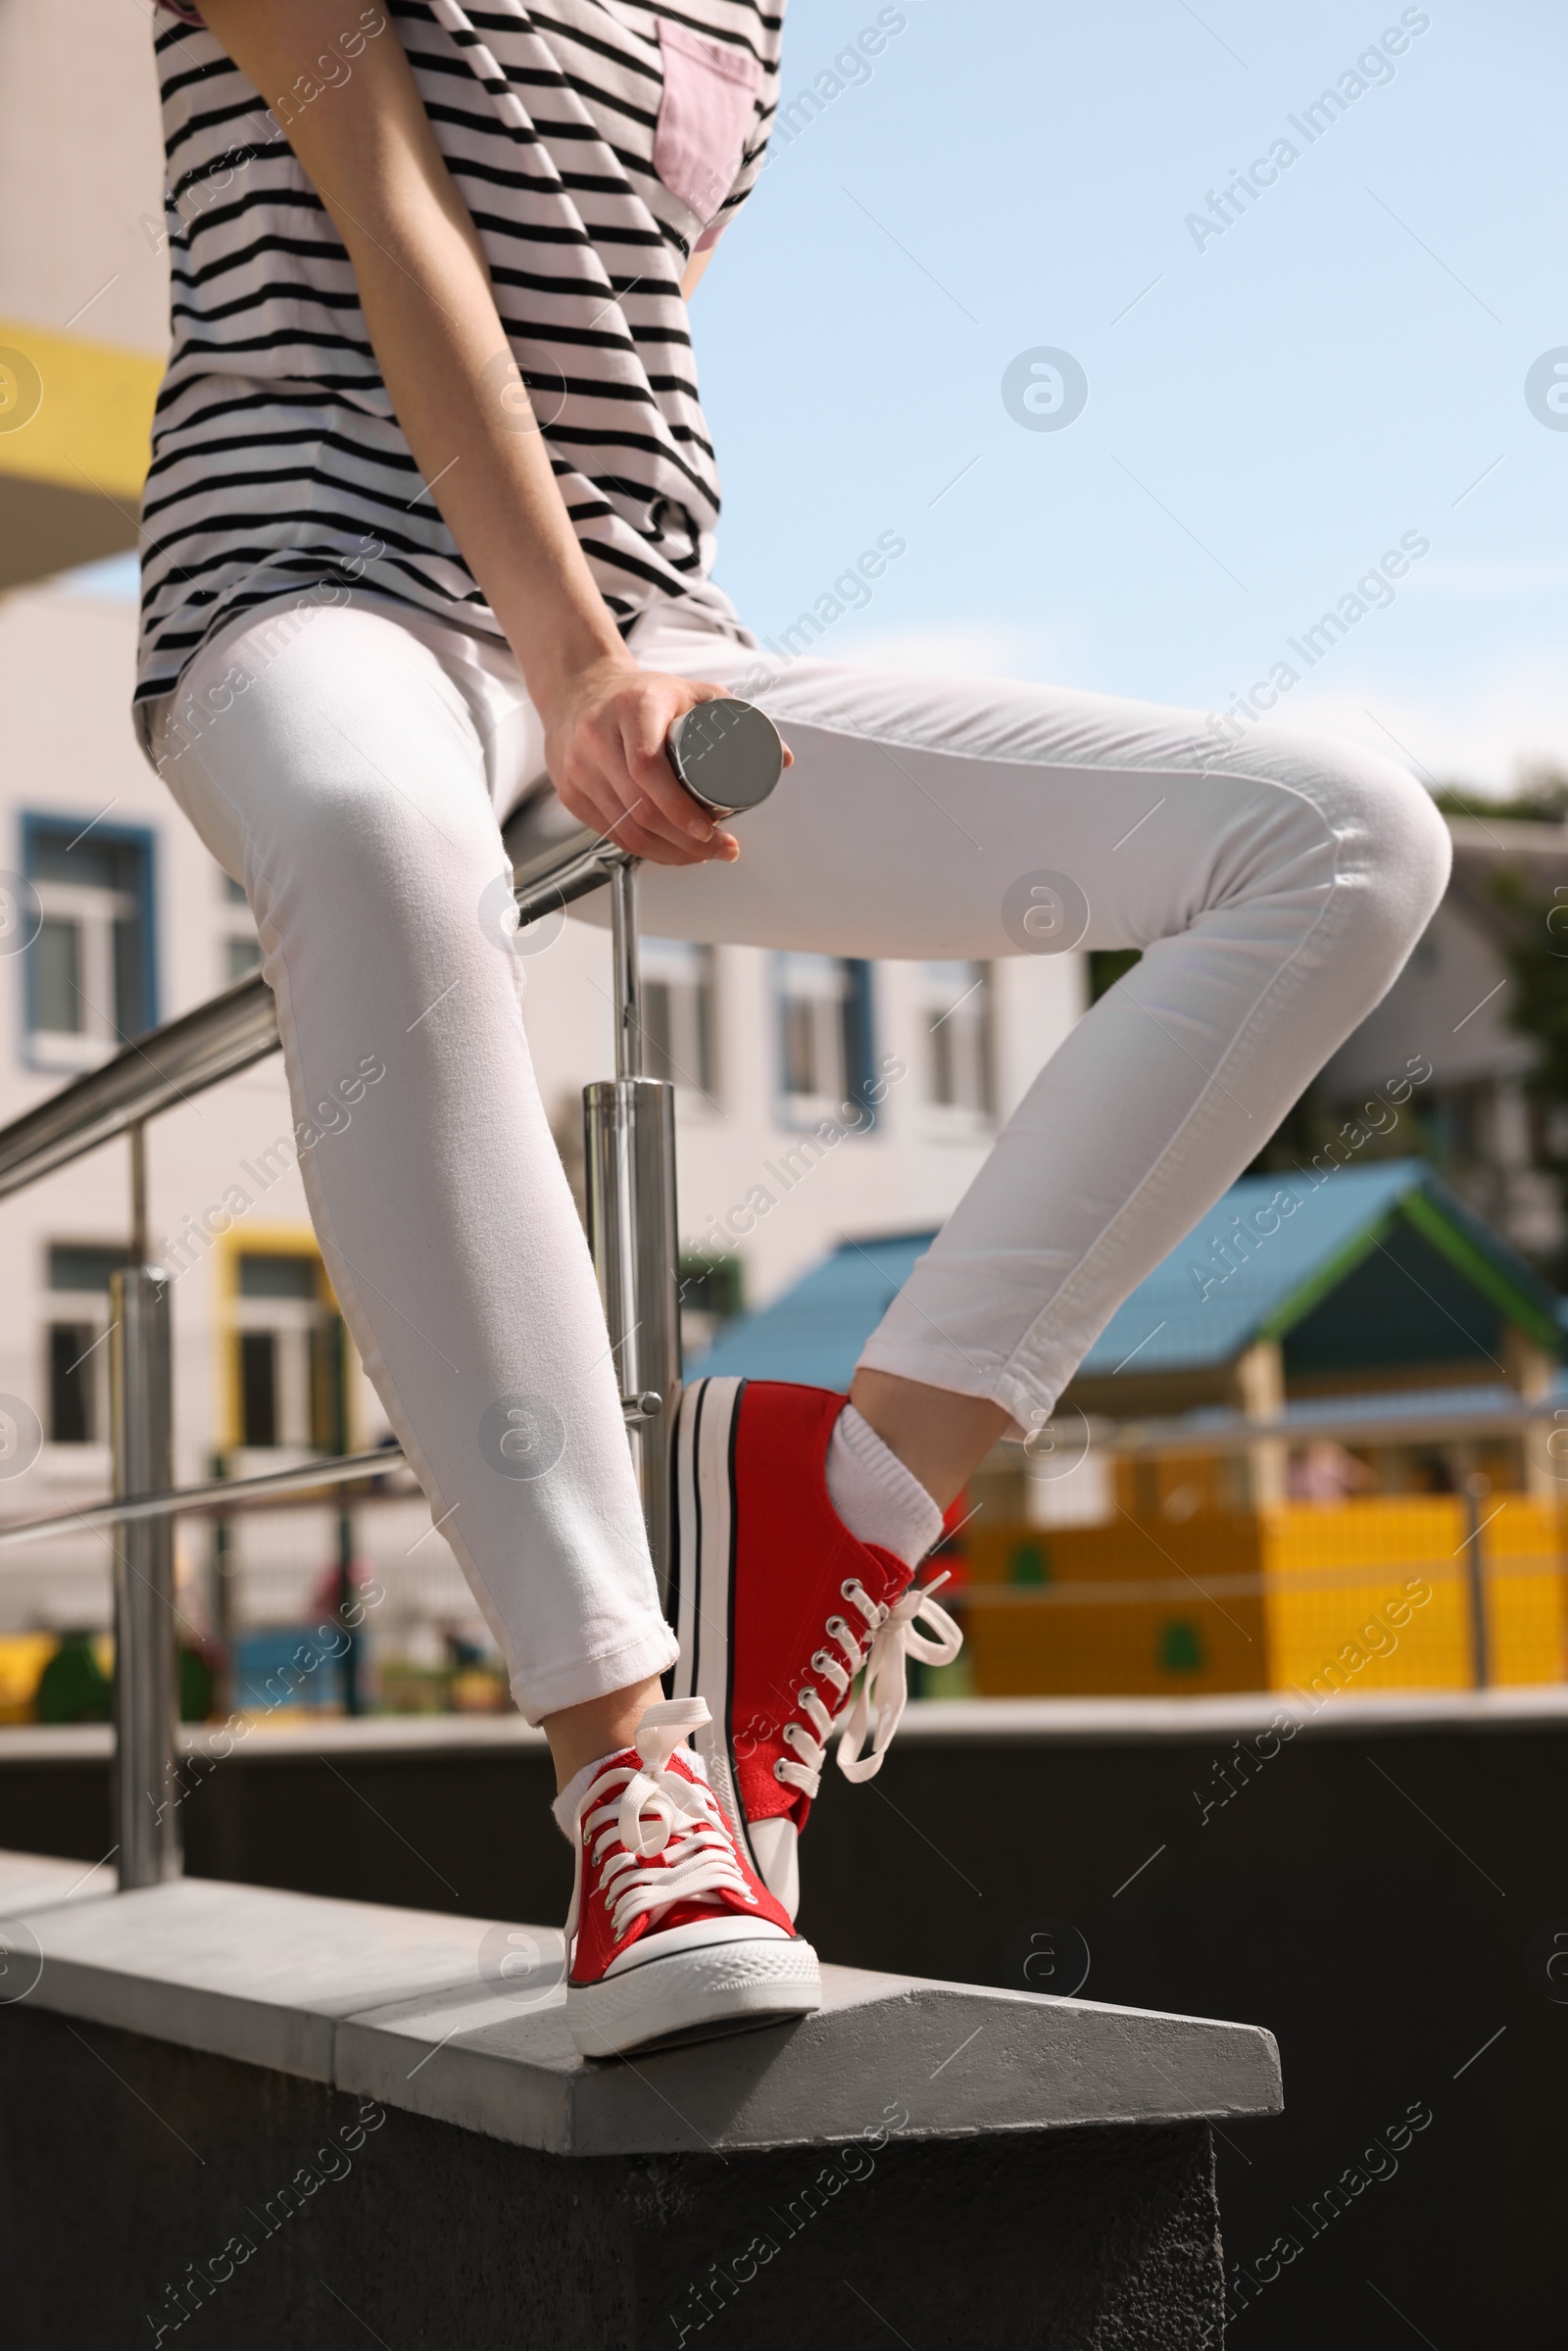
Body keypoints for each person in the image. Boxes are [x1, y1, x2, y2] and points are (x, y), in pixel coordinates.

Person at [136, 0, 1451, 2054]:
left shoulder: (736, 16)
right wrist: (569, 670)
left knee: (1338, 838)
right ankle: (622, 1771)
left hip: (653, 635)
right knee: (386, 842)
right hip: (313, 592)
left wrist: (628, 666)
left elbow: (616, 342)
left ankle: (849, 1504)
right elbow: (404, 237)